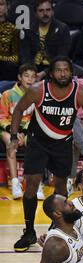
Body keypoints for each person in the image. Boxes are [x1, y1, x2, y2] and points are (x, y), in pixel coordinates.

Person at [9, 56, 83, 252]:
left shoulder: (81, 93)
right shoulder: (37, 90)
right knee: (31, 185)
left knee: (60, 186)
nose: (63, 73)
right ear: (51, 73)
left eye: (66, 70)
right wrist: (14, 136)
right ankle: (29, 231)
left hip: (63, 144)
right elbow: (18, 110)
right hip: (38, 143)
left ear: (72, 73)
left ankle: (56, 228)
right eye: (58, 70)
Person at [0, 63, 45, 200]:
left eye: (33, 77)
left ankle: (36, 184)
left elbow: (35, 118)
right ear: (19, 77)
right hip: (8, 129)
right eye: (26, 76)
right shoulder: (8, 95)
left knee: (36, 144)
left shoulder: (37, 95)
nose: (30, 79)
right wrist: (13, 132)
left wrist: (23, 133)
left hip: (28, 131)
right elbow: (2, 117)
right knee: (11, 143)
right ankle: (15, 182)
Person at [19, 0, 71, 81]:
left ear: (53, 11)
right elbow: (25, 55)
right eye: (41, 11)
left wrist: (44, 73)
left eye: (48, 10)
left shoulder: (62, 29)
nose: (45, 14)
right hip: (32, 67)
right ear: (35, 13)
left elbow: (62, 56)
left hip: (53, 68)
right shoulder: (27, 28)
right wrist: (31, 73)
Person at [0, 0, 20, 80]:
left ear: (7, 7)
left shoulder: (13, 29)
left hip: (6, 69)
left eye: (1, 4)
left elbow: (16, 58)